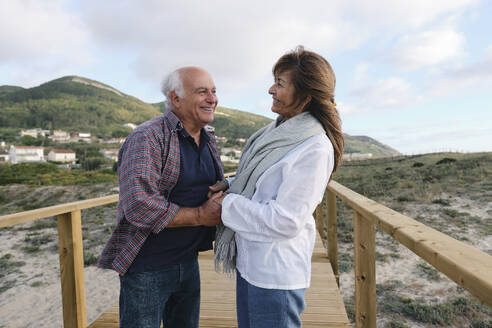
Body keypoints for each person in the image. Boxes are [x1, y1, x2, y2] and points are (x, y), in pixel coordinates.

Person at [212, 46, 344, 328]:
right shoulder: (276, 133)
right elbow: (263, 184)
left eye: (280, 83)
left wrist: (226, 204)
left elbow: (286, 220)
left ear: (305, 97)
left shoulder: (314, 148)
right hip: (250, 264)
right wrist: (229, 185)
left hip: (275, 275)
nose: (271, 89)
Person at [97, 66, 225, 328]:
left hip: (188, 260)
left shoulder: (208, 138)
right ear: (175, 98)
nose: (212, 98)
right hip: (148, 265)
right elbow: (139, 204)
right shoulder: (148, 136)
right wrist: (201, 215)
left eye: (213, 91)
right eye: (202, 91)